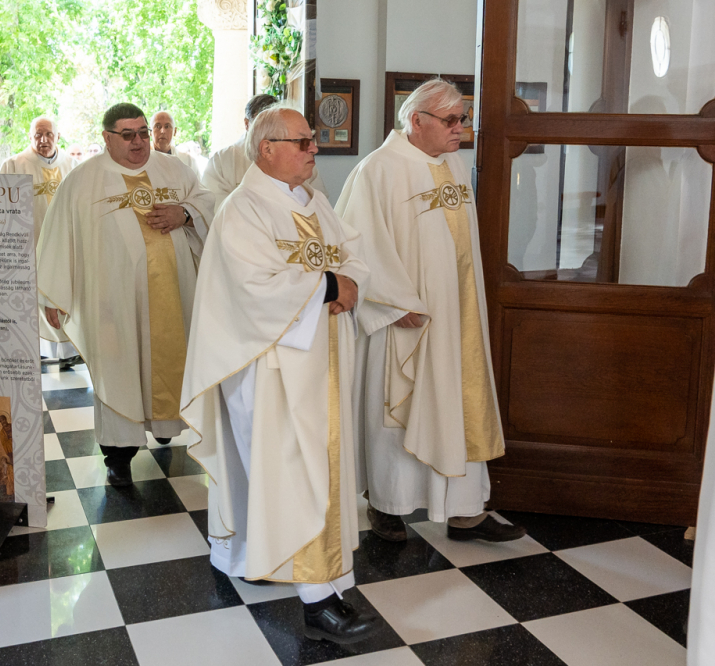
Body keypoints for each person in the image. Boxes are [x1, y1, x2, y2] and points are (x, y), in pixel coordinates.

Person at [182, 106, 378, 644]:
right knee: (291, 473)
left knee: (316, 470)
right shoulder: (242, 210)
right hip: (270, 369)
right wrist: (330, 287)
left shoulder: (314, 203)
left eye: (312, 141)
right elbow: (251, 288)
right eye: (303, 141)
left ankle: (314, 574)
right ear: (266, 148)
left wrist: (348, 282)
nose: (314, 149)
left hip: (321, 360)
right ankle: (317, 604)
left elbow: (352, 257)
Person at [335, 78, 526, 543]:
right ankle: (387, 505)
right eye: (451, 120)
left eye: (463, 119)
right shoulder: (378, 170)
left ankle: (465, 511)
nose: (461, 128)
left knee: (460, 401)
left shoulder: (454, 165)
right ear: (417, 120)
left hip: (458, 313)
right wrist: (393, 300)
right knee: (400, 405)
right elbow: (356, 242)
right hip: (406, 316)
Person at [38, 103, 215, 486]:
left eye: (143, 133)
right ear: (107, 138)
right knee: (118, 375)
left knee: (168, 362)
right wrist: (54, 297)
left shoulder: (175, 170)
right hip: (111, 304)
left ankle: (165, 424)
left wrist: (184, 213)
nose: (138, 142)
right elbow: (58, 236)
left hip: (174, 296)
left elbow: (206, 201)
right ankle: (118, 456)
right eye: (128, 135)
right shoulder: (83, 180)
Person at [0, 116, 80, 366]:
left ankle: (71, 350)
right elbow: (2, 211)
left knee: (64, 292)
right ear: (30, 136)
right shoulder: (14, 165)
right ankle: (38, 350)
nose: (43, 140)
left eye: (48, 134)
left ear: (58, 136)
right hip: (29, 247)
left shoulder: (74, 166)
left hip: (65, 246)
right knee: (34, 300)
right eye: (38, 135)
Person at [202, 94, 328, 212]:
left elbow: (320, 207)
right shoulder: (221, 161)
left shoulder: (302, 160)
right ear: (247, 124)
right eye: (261, 124)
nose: (313, 149)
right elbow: (216, 209)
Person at [151, 111, 202, 179]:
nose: (162, 131)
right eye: (157, 126)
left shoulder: (188, 162)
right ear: (150, 131)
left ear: (175, 131)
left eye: (167, 126)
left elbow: (198, 185)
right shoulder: (141, 161)